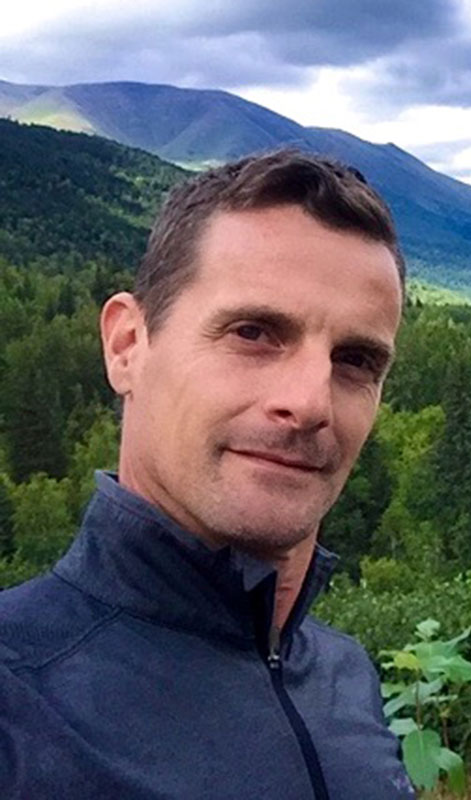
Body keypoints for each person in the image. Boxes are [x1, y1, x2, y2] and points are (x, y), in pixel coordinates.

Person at [0, 151, 416, 799]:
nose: (310, 402)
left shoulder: (344, 678)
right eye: (253, 332)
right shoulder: (18, 704)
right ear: (127, 346)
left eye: (356, 359)